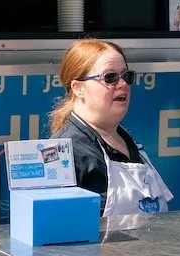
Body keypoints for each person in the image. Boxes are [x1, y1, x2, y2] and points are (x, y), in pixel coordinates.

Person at [49, 38, 173, 225]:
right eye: (110, 78)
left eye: (126, 76)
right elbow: (60, 230)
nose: (123, 84)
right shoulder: (64, 151)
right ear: (78, 88)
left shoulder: (127, 141)